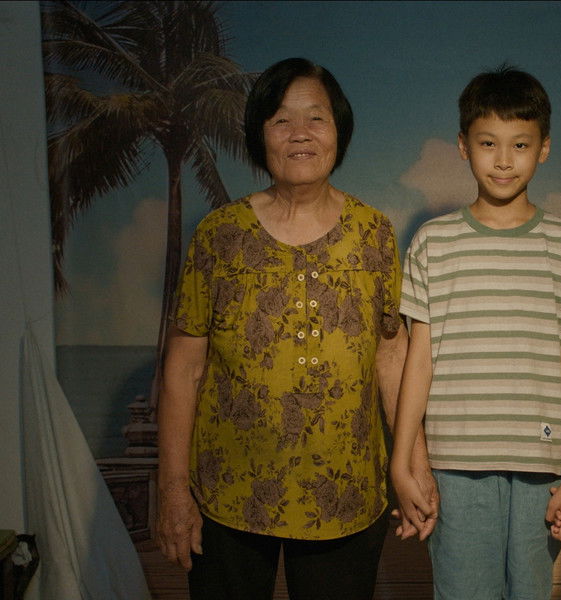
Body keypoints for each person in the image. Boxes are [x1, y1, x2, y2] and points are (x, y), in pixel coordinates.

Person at [157, 57, 435, 600]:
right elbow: (184, 369)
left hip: (345, 493)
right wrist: (172, 490)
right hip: (229, 494)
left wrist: (415, 464)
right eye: (281, 120)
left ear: (339, 131)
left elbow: (391, 357)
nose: (300, 133)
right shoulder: (219, 235)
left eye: (316, 118)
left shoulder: (373, 234)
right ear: (259, 135)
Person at [390, 65, 561, 600]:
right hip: (454, 465)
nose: (504, 160)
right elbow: (419, 359)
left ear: (543, 149)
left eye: (520, 144)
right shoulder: (433, 243)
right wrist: (401, 459)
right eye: (488, 143)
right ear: (464, 146)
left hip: (542, 469)